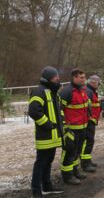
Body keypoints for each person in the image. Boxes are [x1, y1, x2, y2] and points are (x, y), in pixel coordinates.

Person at [28, 66, 64, 197]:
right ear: (48, 78)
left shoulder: (54, 92)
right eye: (55, 77)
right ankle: (36, 191)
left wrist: (61, 125)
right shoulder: (39, 91)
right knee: (41, 163)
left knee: (48, 162)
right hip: (45, 136)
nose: (58, 79)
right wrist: (48, 125)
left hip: (53, 137)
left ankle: (47, 186)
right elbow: (34, 112)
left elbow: (58, 112)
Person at [60, 69, 90, 185]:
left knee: (77, 152)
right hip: (71, 129)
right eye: (81, 77)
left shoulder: (82, 91)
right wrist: (64, 127)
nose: (84, 79)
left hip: (82, 128)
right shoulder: (66, 92)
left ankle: (75, 171)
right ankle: (67, 176)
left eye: (84, 77)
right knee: (69, 152)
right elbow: (59, 110)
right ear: (74, 78)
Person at [80, 75, 102, 171]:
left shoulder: (91, 91)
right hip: (89, 121)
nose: (98, 86)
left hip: (91, 120)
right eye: (98, 84)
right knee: (88, 141)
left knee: (90, 141)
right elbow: (86, 106)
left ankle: (88, 161)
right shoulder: (88, 91)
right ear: (93, 82)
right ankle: (85, 164)